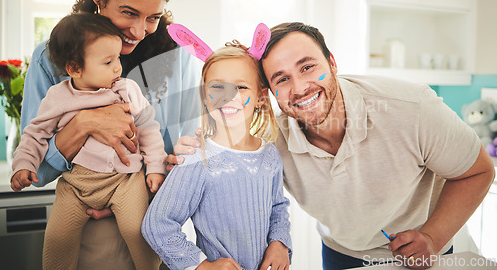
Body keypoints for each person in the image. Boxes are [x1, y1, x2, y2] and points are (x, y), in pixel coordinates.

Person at [172, 22, 495, 270]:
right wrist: (190, 155)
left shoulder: (412, 107)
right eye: (281, 79)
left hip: (425, 249)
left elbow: (478, 171)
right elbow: (235, 165)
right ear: (268, 92)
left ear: (332, 62)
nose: (299, 87)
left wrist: (434, 237)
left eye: (308, 66)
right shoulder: (270, 140)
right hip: (342, 252)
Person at [20, 0, 200, 269]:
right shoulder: (51, 60)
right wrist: (84, 123)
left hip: (153, 226)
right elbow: (37, 170)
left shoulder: (178, 60)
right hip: (86, 228)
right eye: (129, 12)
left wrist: (138, 191)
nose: (138, 30)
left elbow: (186, 159)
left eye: (153, 18)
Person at [11, 13, 164, 269]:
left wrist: (156, 166)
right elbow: (35, 132)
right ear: (74, 68)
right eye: (107, 62)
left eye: (118, 58)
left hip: (125, 180)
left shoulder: (125, 89)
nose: (118, 67)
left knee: (137, 230)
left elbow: (149, 126)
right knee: (58, 238)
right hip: (77, 184)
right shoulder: (58, 97)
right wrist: (23, 165)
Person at [142, 24, 292, 270]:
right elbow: (157, 224)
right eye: (217, 87)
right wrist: (201, 266)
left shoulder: (269, 155)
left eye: (241, 87)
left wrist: (280, 243)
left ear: (261, 97)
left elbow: (278, 207)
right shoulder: (195, 158)